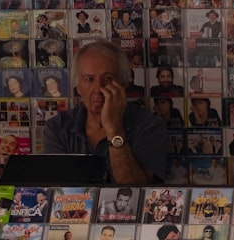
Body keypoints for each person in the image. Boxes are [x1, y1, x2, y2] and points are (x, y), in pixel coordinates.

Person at [42, 40, 167, 184]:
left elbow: (136, 191)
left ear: (123, 83)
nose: (98, 89)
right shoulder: (57, 128)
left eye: (107, 79)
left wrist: (114, 129)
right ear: (78, 86)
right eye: (89, 79)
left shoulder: (149, 126)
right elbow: (58, 191)